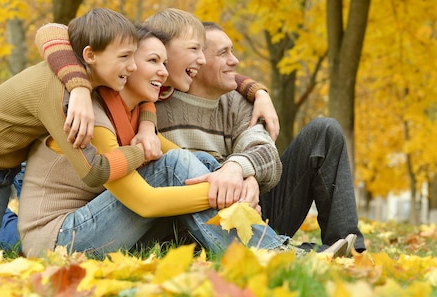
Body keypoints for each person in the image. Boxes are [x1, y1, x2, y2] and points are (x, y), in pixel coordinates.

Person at [23, 13, 352, 258]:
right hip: (71, 235)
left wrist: (240, 171)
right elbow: (59, 34)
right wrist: (79, 86)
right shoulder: (107, 103)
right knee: (176, 162)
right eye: (154, 60)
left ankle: (321, 248)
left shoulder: (158, 105)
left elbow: (256, 148)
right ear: (129, 60)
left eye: (163, 63)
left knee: (195, 159)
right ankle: (271, 256)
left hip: (235, 206)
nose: (163, 70)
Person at [153, 21, 366, 254]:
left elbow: (265, 151)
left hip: (251, 216)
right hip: (186, 224)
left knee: (324, 132)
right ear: (196, 62)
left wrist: (244, 172)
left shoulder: (240, 102)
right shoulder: (152, 102)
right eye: (223, 53)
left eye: (232, 51)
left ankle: (349, 249)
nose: (234, 61)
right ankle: (293, 252)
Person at [0, 7, 146, 254]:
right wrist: (140, 152)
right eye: (124, 57)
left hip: (1, 172)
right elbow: (94, 172)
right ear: (90, 55)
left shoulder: (76, 76)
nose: (134, 66)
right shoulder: (63, 98)